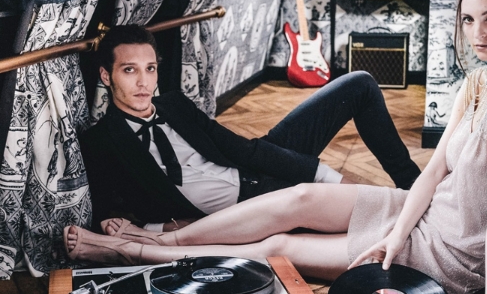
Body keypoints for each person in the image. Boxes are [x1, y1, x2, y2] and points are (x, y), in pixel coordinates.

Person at [67, 0, 487, 294]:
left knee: (283, 246)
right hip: (424, 213)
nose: (478, 33)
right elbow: (435, 172)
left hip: (450, 248)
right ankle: (169, 240)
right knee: (301, 196)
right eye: (468, 19)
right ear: (107, 77)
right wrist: (394, 237)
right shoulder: (479, 81)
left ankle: (138, 252)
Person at [80, 24, 421, 232]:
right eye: (129, 71)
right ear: (106, 76)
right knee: (365, 210)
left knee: (358, 84)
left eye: (150, 68)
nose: (143, 82)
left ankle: (417, 187)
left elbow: (240, 148)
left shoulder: (174, 104)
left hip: (251, 166)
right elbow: (106, 221)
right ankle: (413, 208)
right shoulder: (102, 142)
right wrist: (168, 227)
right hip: (248, 210)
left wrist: (326, 175)